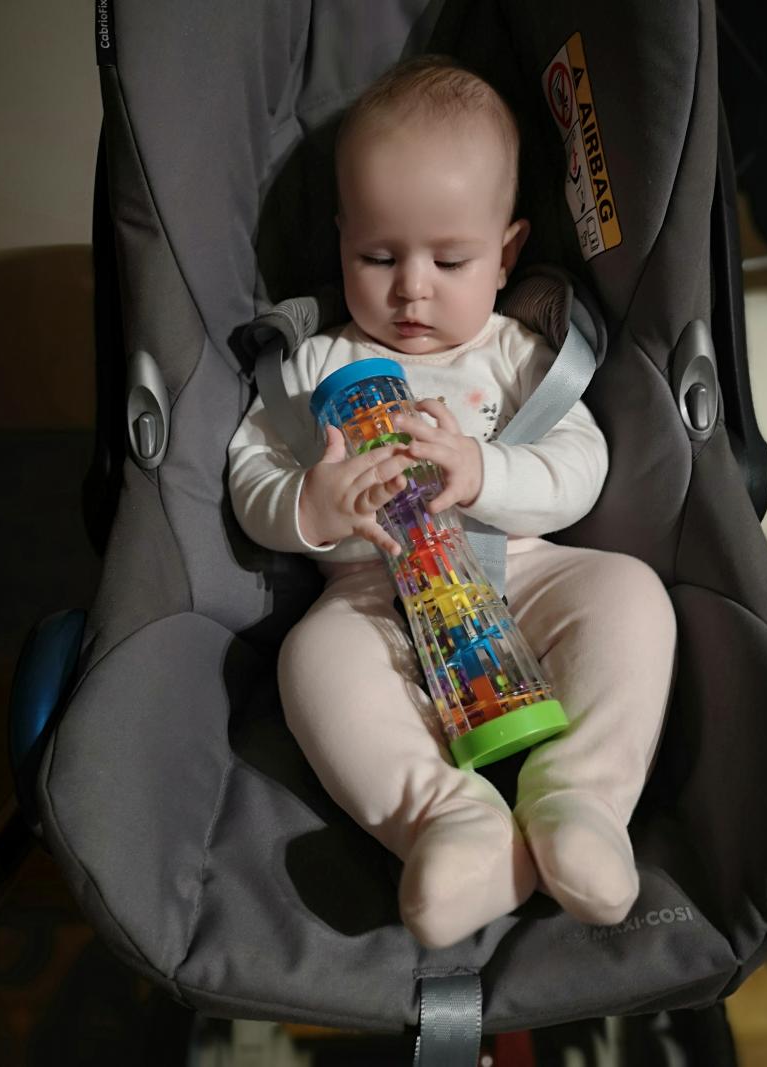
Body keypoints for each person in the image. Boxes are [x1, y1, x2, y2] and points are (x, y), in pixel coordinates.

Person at [228, 57, 676, 948]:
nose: (412, 287)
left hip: (526, 575)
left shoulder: (516, 354)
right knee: (312, 661)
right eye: (378, 256)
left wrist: (482, 472)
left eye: (450, 258)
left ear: (506, 254)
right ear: (342, 242)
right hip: (377, 598)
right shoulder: (317, 365)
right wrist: (311, 504)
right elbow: (249, 473)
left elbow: (581, 464)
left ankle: (580, 797)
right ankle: (449, 822)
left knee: (630, 595)